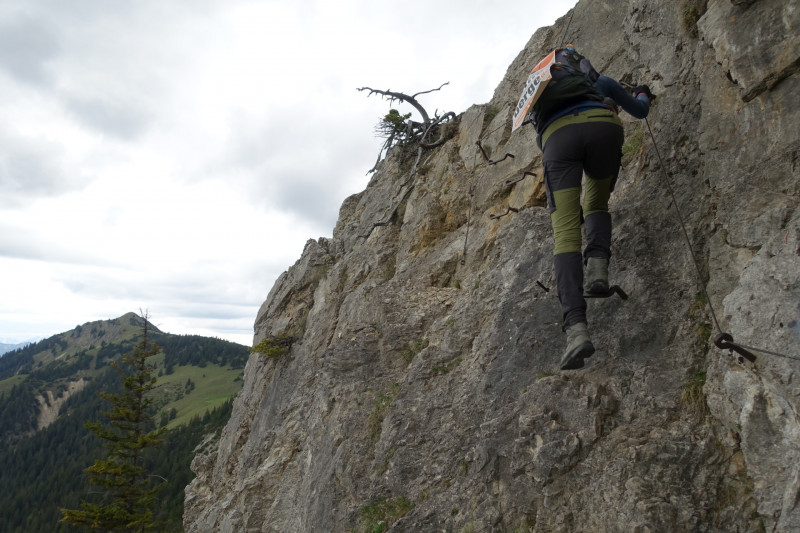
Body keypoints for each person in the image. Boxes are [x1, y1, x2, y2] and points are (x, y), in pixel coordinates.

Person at [528, 45, 653, 370]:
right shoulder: (603, 83)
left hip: (559, 140)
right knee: (597, 202)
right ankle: (598, 272)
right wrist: (642, 92)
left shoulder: (542, 97)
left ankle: (576, 331)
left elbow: (541, 139)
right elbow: (640, 111)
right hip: (604, 127)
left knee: (566, 235)